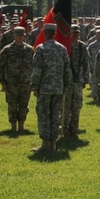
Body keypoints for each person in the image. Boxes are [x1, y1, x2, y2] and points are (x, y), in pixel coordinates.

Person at [30, 23, 71, 151]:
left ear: (44, 33)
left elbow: (37, 70)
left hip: (45, 88)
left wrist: (35, 86)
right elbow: (67, 70)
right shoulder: (62, 48)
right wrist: (65, 85)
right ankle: (53, 144)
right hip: (58, 88)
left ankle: (45, 144)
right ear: (54, 33)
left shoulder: (41, 48)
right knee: (54, 116)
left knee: (43, 115)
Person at [0, 26, 34, 133]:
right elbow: (0, 66)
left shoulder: (30, 50)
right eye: (18, 35)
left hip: (25, 83)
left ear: (25, 36)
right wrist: (3, 81)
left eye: (22, 35)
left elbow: (35, 66)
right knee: (12, 104)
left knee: (24, 104)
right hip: (12, 83)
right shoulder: (7, 50)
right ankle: (13, 125)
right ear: (14, 36)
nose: (20, 37)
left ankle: (21, 125)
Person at [64, 24, 91, 138]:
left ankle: (74, 130)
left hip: (78, 81)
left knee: (76, 106)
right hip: (66, 81)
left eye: (77, 33)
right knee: (65, 107)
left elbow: (86, 63)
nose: (75, 35)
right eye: (73, 33)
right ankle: (64, 130)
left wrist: (85, 79)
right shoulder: (64, 46)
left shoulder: (82, 46)